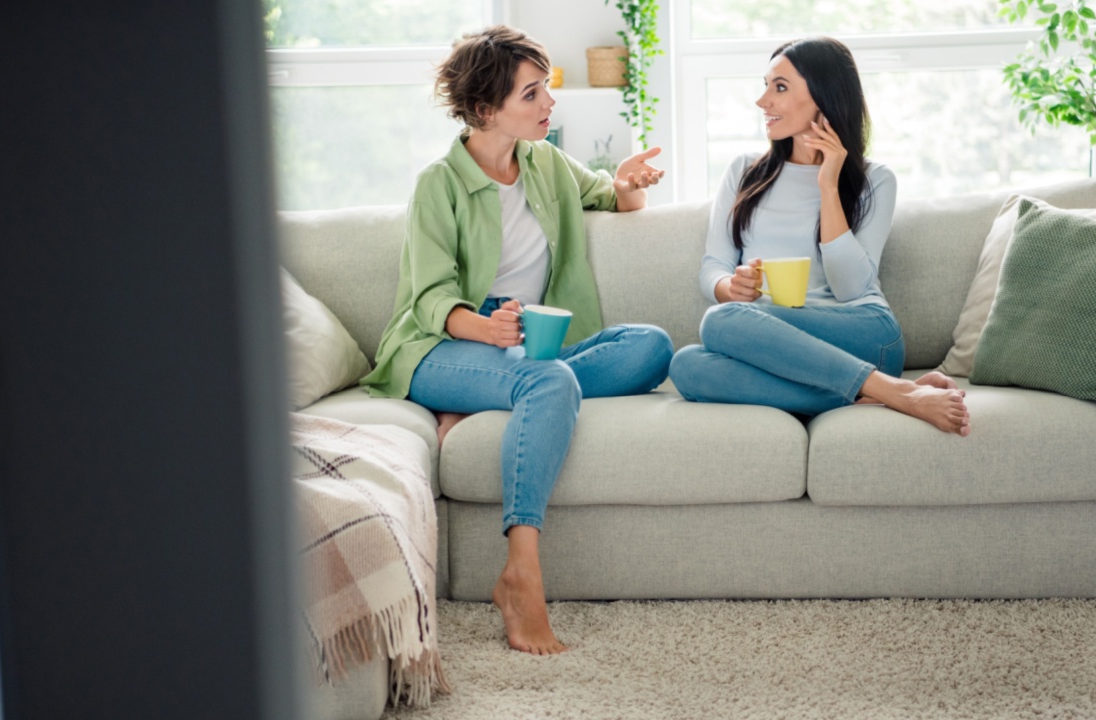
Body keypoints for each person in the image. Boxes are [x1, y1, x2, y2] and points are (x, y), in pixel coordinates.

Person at [360, 25, 674, 655]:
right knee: (550, 378)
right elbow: (428, 299)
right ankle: (521, 572)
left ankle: (505, 397)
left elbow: (611, 199)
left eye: (546, 89)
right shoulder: (438, 185)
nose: (548, 103)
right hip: (439, 349)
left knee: (652, 346)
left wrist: (630, 181)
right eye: (532, 94)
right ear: (485, 109)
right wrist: (486, 327)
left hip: (523, 352)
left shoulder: (546, 162)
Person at [668, 37, 970, 436]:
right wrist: (730, 288)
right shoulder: (744, 171)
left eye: (779, 87)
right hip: (777, 337)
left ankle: (883, 385)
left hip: (864, 334)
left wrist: (829, 186)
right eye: (765, 85)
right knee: (687, 366)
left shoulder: (875, 181)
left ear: (823, 97)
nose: (763, 101)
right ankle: (894, 393)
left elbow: (850, 288)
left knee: (719, 323)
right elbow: (714, 267)